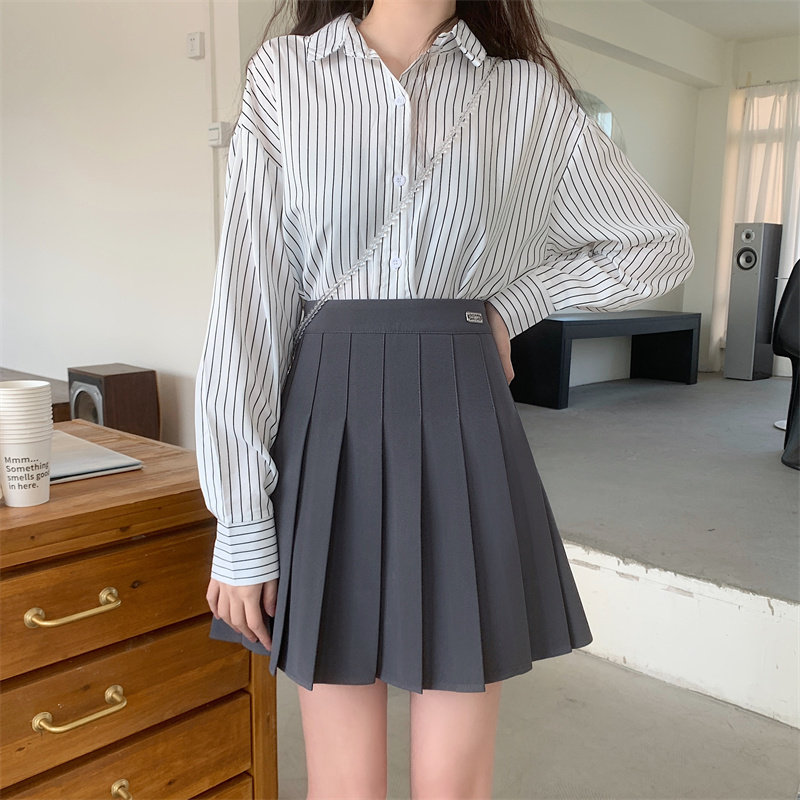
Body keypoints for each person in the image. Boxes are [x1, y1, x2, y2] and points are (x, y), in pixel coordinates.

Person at [194, 1, 695, 797]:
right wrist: (242, 520)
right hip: (329, 423)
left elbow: (656, 243)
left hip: (462, 422)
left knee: (454, 783)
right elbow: (248, 305)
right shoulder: (286, 77)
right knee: (343, 784)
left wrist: (512, 305)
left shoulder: (523, 95)